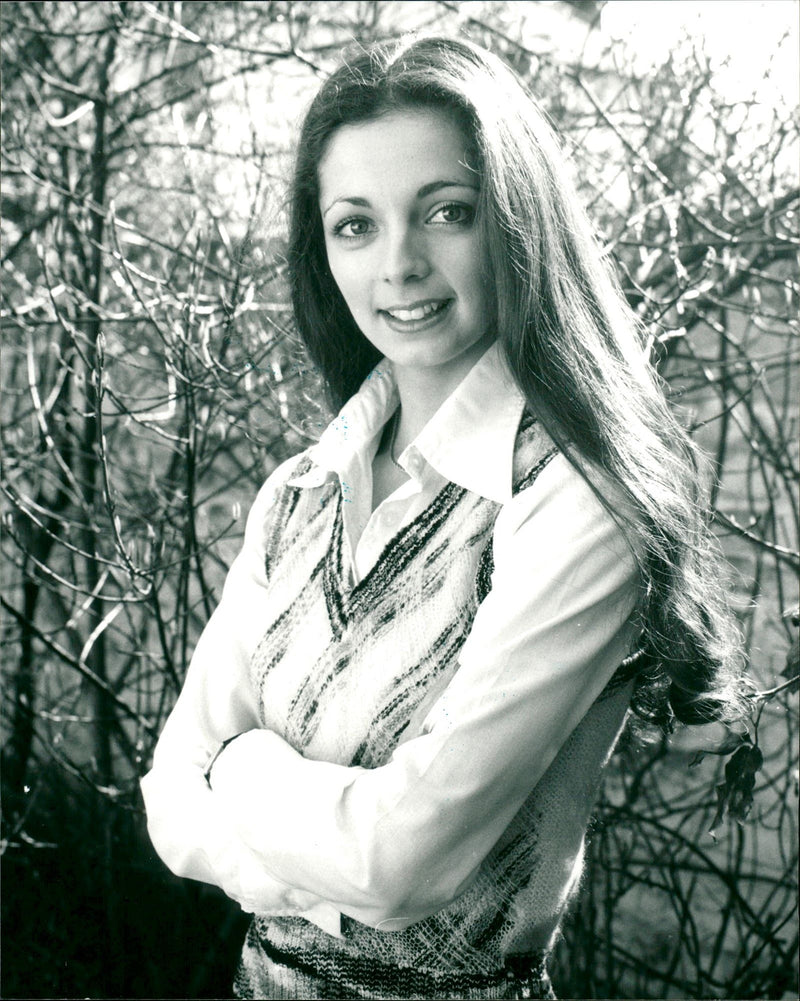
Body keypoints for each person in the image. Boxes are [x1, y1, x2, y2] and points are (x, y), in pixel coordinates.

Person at [141, 35, 747, 1001]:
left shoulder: (583, 500)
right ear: (321, 249)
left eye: (447, 213)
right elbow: (170, 806)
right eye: (355, 225)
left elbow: (401, 862)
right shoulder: (298, 493)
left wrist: (245, 770)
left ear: (516, 220)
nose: (401, 265)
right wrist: (325, 854)